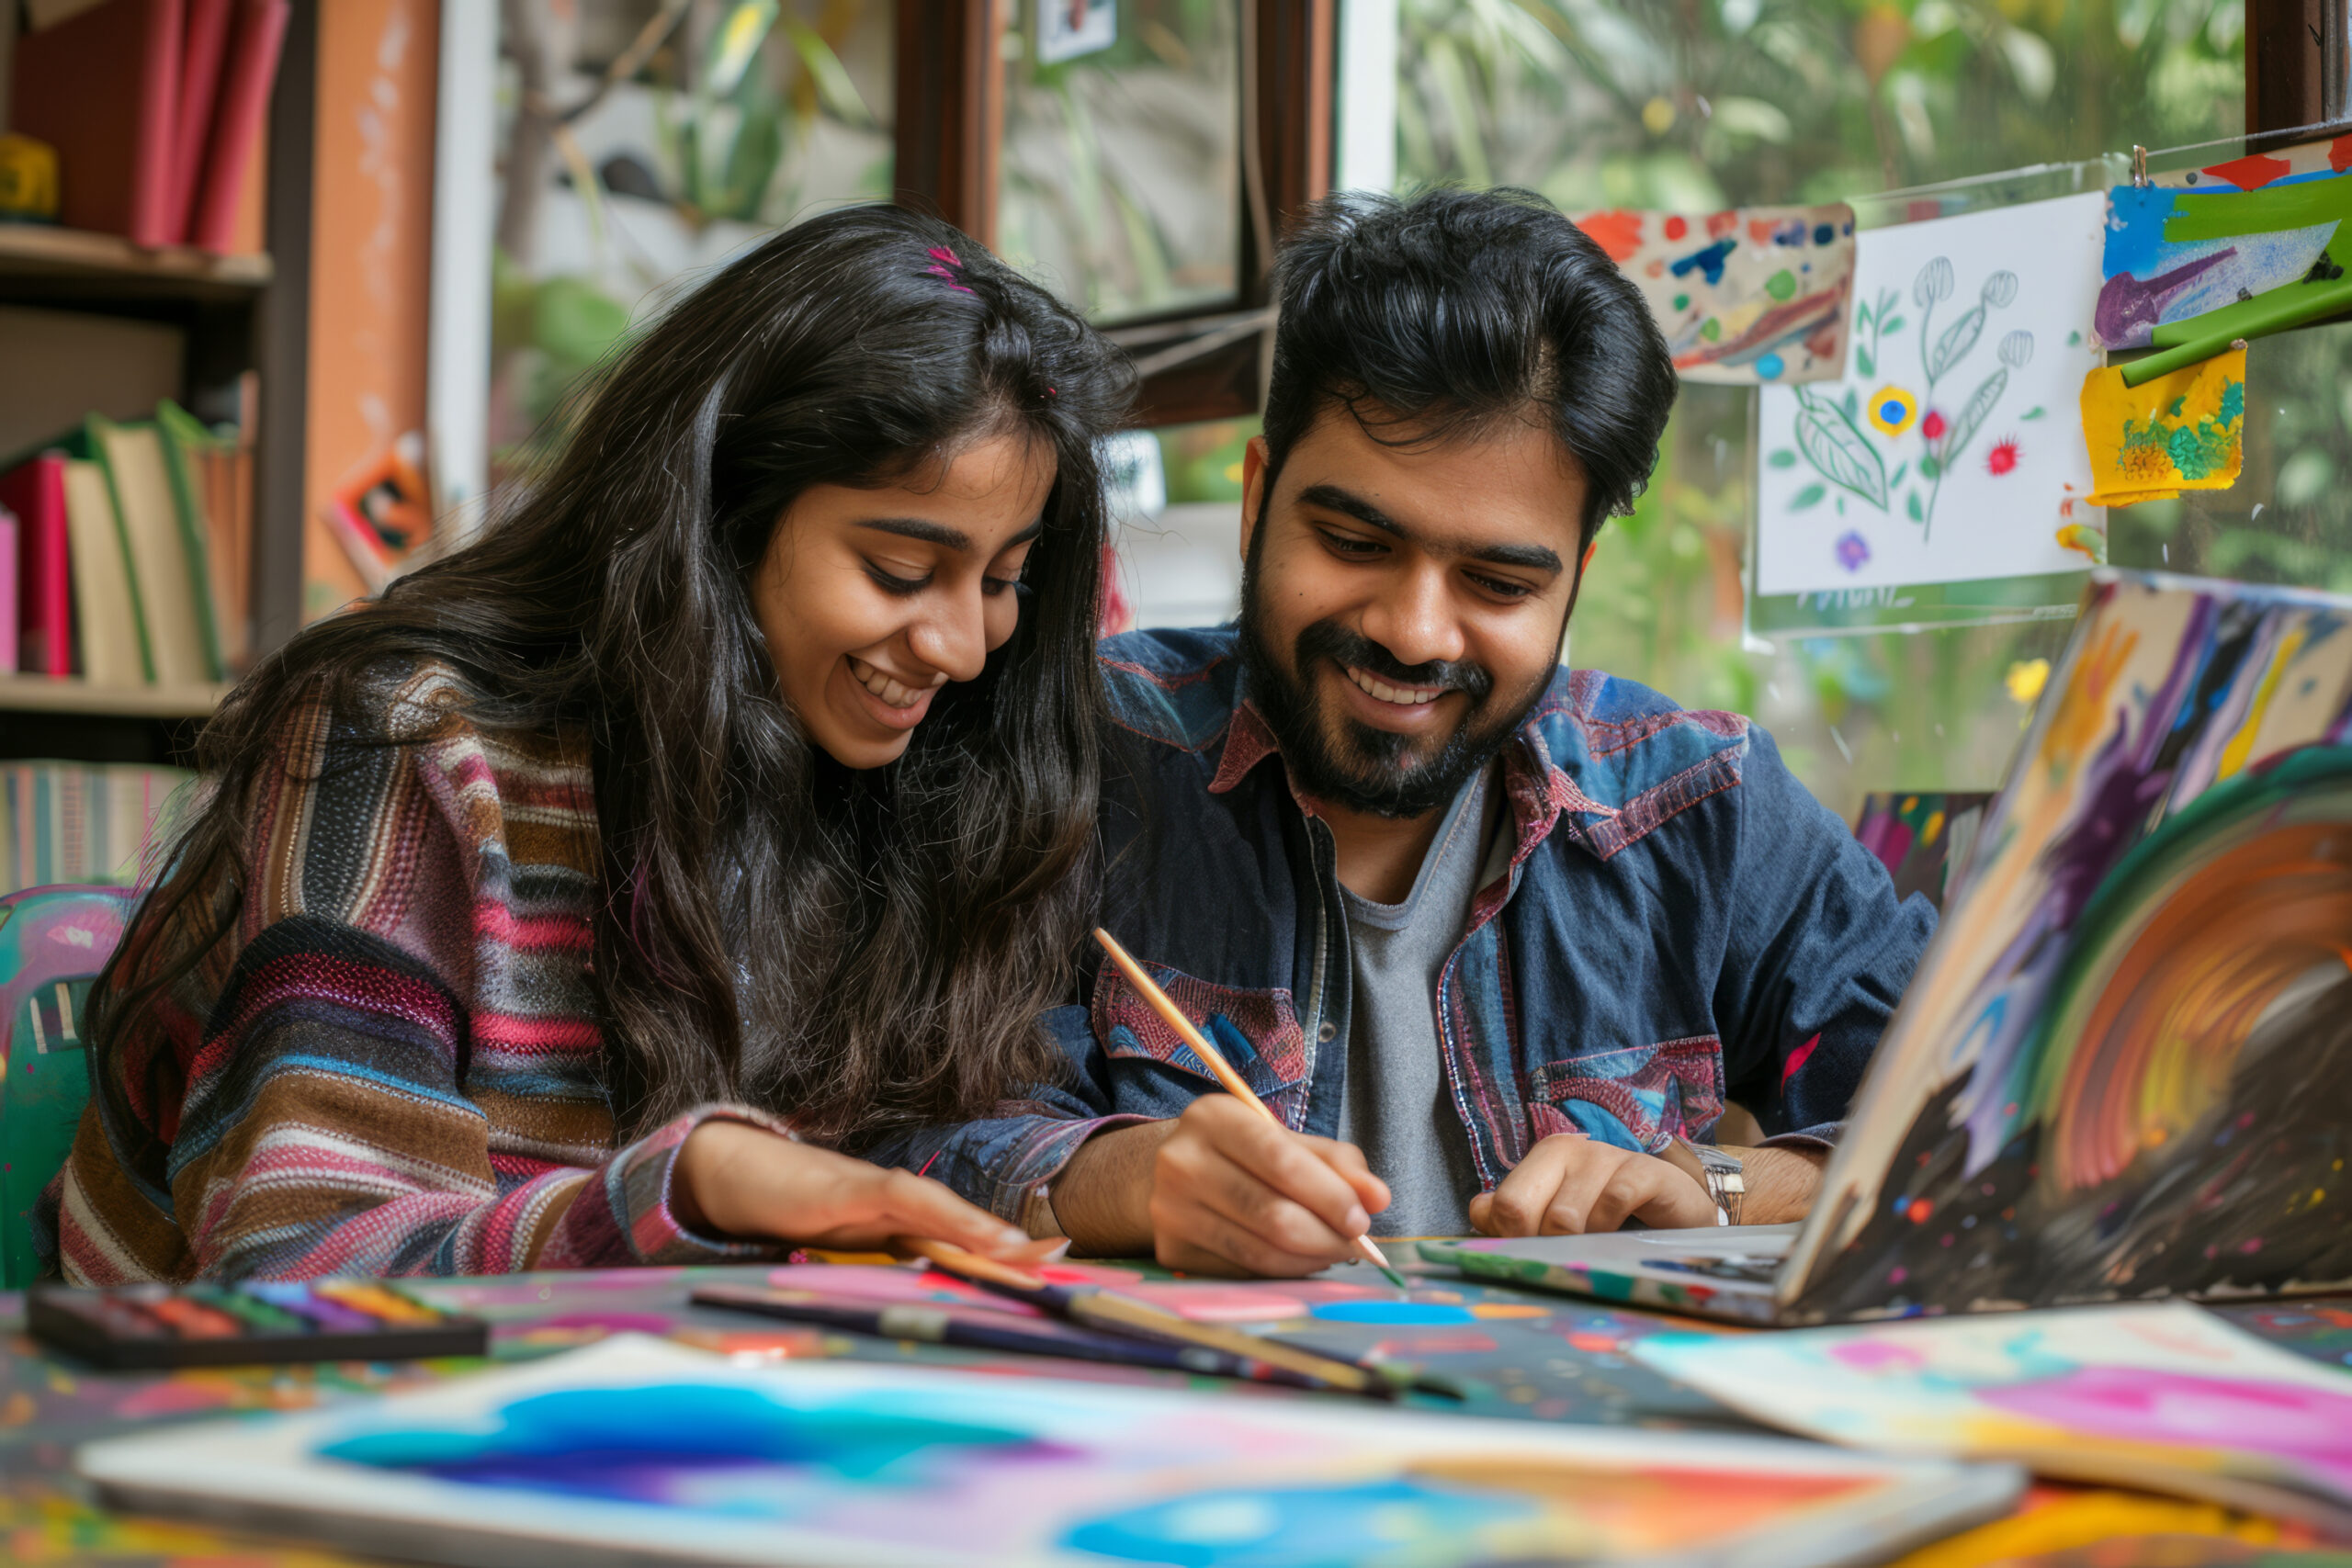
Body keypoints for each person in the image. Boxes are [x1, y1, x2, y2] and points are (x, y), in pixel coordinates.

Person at [44, 206, 1133, 1283]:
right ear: (718, 520)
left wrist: (1090, 1175)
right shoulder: (413, 743)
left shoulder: (885, 776)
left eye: (1003, 582)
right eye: (899, 571)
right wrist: (683, 1193)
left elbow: (885, 1159)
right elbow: (303, 1263)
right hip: (220, 1403)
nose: (962, 647)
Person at [882, 188, 1935, 1277]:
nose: (1413, 630)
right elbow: (885, 1132)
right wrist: (1120, 1176)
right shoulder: (1072, 754)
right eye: (1352, 540)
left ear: (1574, 579)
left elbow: (1974, 1139)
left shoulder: (1700, 811)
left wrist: (1715, 1190)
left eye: (1496, 581)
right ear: (1256, 500)